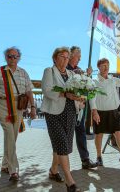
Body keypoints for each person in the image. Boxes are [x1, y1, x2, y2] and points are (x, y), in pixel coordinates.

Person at [0, 46, 36, 181]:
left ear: (19, 58)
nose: (13, 58)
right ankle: (13, 170)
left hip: (18, 107)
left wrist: (33, 107)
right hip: (2, 106)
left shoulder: (23, 73)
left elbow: (29, 91)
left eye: (15, 56)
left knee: (12, 137)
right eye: (10, 56)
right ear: (5, 57)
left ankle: (4, 164)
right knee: (9, 134)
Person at [41, 47, 83, 192]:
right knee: (62, 145)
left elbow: (76, 91)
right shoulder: (49, 71)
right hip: (53, 113)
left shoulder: (72, 73)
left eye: (67, 57)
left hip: (70, 112)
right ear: (55, 58)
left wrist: (80, 97)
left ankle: (53, 171)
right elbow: (47, 90)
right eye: (62, 56)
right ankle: (69, 181)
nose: (65, 59)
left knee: (61, 146)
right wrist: (65, 94)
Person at [67, 46, 97, 170]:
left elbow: (87, 87)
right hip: (67, 107)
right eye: (78, 57)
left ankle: (85, 160)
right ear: (71, 55)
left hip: (80, 108)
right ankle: (60, 161)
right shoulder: (64, 68)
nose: (79, 59)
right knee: (67, 135)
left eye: (80, 58)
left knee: (81, 133)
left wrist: (88, 76)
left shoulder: (80, 70)